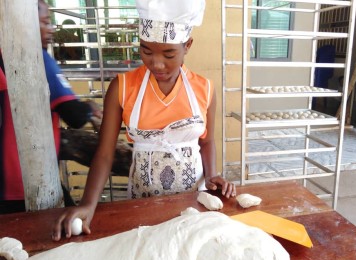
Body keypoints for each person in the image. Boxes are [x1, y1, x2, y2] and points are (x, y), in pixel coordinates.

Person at [52, 0, 236, 241]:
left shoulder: (204, 89)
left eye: (169, 54)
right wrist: (88, 204)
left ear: (187, 45)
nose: (156, 64)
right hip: (143, 203)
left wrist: (212, 176)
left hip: (195, 201)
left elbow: (207, 142)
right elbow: (105, 153)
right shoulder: (123, 87)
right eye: (146, 51)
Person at [0, 0, 102, 214]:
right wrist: (90, 107)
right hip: (28, 179)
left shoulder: (4, 55)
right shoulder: (38, 59)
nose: (51, 29)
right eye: (45, 22)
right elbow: (73, 115)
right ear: (25, 23)